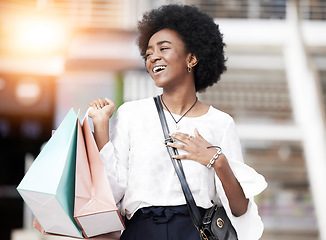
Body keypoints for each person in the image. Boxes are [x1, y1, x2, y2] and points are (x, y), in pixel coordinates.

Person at [88, 4, 267, 240]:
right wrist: (101, 126)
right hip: (141, 231)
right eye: (149, 53)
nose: (153, 57)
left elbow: (239, 209)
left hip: (194, 232)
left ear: (191, 59)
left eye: (164, 48)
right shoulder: (131, 114)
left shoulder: (221, 123)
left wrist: (217, 161)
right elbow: (111, 192)